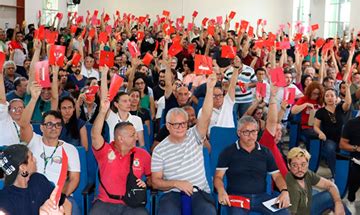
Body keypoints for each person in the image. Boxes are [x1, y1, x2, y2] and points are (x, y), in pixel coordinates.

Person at [88, 66, 151, 214]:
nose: (135, 136)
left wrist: (147, 182)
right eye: (132, 135)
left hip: (131, 202)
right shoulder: (106, 145)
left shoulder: (142, 153)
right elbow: (96, 134)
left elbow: (153, 178)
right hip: (106, 199)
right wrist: (104, 76)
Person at [151, 73, 217, 214]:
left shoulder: (195, 135)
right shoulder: (159, 150)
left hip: (198, 191)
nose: (180, 127)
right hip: (172, 193)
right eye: (175, 124)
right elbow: (156, 181)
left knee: (208, 211)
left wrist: (210, 89)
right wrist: (176, 183)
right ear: (167, 126)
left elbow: (205, 115)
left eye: (183, 123)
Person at [18, 81, 81, 214]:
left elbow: (74, 179)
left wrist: (60, 196)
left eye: (58, 125)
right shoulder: (33, 140)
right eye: (49, 124)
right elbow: (23, 125)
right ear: (41, 127)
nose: (54, 128)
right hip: (32, 193)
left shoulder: (70, 149)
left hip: (59, 196)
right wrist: (34, 98)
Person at [214, 116, 290, 215]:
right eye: (246, 132)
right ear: (239, 133)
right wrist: (221, 190)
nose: (251, 136)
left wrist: (284, 191)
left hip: (262, 198)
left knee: (284, 212)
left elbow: (277, 176)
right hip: (238, 198)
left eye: (254, 131)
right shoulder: (228, 152)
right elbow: (218, 177)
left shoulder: (265, 152)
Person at [0, 144, 71, 214]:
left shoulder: (38, 179)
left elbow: (66, 204)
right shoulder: (5, 200)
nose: (35, 160)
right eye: (31, 158)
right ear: (23, 168)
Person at [285, 147, 349, 215]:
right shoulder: (288, 181)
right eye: (294, 165)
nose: (299, 169)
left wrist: (338, 203)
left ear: (308, 164)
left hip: (306, 205)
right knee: (329, 196)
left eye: (303, 164)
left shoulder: (307, 174)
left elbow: (331, 185)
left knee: (335, 199)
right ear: (289, 166)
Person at [313, 85, 352, 178]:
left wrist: (347, 88)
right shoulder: (320, 112)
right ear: (324, 98)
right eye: (327, 96)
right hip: (329, 138)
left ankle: (347, 174)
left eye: (332, 95)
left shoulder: (341, 108)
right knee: (330, 149)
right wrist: (320, 132)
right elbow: (315, 126)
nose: (329, 98)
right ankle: (335, 173)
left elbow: (348, 102)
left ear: (336, 98)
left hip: (343, 138)